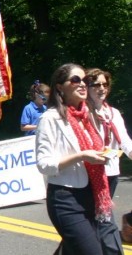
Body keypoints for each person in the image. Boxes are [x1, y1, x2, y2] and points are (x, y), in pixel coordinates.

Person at [36, 63, 123, 255]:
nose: (83, 84)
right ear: (60, 86)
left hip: (91, 196)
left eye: (85, 80)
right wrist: (81, 156)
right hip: (66, 200)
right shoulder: (50, 118)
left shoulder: (88, 116)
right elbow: (43, 164)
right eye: (76, 80)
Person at [85, 68, 132, 198]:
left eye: (105, 84)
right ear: (87, 88)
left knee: (104, 213)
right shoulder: (82, 113)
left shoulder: (114, 113)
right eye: (96, 85)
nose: (102, 88)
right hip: (91, 172)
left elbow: (124, 139)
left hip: (112, 170)